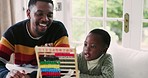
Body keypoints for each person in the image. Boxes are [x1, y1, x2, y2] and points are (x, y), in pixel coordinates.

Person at [0, 0, 69, 78]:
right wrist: (6, 74)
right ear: (28, 14)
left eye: (49, 15)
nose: (45, 19)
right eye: (39, 14)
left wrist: (30, 76)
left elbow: (64, 66)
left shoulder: (58, 31)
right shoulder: (13, 33)